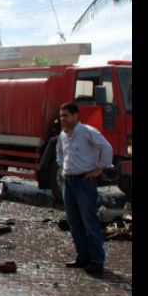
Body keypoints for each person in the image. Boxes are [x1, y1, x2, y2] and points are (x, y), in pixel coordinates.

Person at [56, 103, 113, 276]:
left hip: (84, 183)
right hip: (69, 183)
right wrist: (63, 168)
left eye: (66, 115)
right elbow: (60, 153)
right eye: (61, 116)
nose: (62, 119)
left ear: (75, 116)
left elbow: (107, 148)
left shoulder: (88, 132)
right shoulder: (63, 135)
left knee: (90, 222)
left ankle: (97, 260)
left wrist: (100, 169)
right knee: (74, 223)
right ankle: (82, 256)